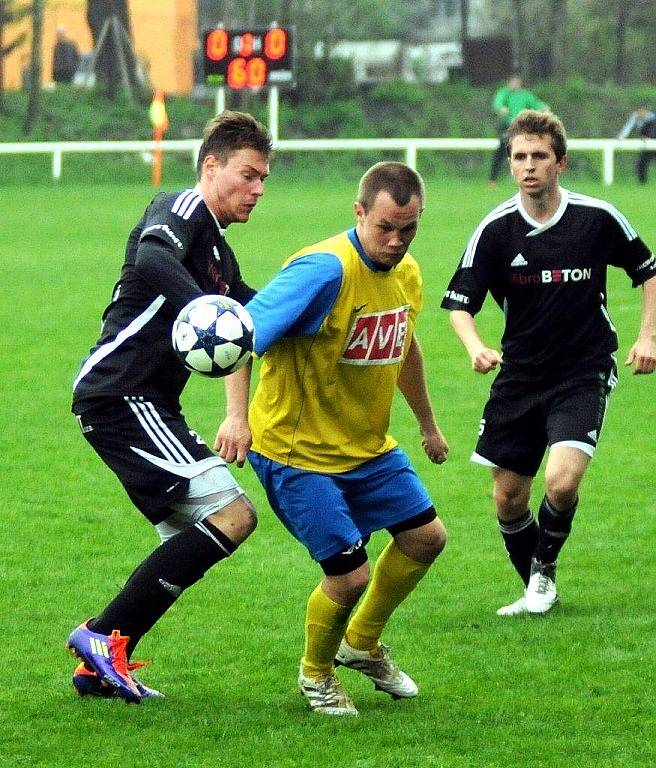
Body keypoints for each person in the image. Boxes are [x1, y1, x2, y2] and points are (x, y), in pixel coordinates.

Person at [216, 161, 449, 716]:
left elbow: (405, 348)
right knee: (348, 577)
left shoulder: (408, 272)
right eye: (385, 228)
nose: (395, 241)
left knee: (426, 539)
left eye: (408, 229)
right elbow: (239, 334)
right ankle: (316, 675)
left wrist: (428, 424)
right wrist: (236, 418)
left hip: (366, 446)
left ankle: (361, 645)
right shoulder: (322, 272)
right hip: (299, 454)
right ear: (359, 213)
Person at [66, 111, 273, 702]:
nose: (258, 189)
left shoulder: (219, 255)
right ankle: (102, 637)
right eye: (248, 174)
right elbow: (153, 262)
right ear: (211, 167)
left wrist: (319, 313)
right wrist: (209, 311)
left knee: (194, 533)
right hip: (121, 394)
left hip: (146, 402)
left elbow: (255, 316)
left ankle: (100, 660)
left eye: (264, 179)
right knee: (234, 517)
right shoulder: (182, 210)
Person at [442, 109, 656, 617]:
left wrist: (648, 335)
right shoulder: (495, 230)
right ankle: (539, 583)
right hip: (520, 375)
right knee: (508, 498)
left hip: (584, 369)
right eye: (519, 156)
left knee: (561, 481)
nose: (528, 165)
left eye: (539, 156)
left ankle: (541, 579)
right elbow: (459, 305)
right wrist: (475, 347)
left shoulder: (596, 218)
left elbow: (649, 270)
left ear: (560, 162)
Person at [489, 74, 548, 185]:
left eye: (516, 82)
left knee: (525, 151)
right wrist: (501, 108)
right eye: (512, 82)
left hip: (521, 127)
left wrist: (543, 108)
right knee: (502, 150)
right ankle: (492, 179)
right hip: (507, 126)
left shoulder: (525, 95)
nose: (514, 84)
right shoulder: (504, 93)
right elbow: (498, 102)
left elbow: (535, 103)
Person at [617, 106, 656, 184]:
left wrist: (649, 137)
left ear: (645, 111)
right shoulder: (635, 116)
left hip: (652, 140)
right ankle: (642, 183)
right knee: (642, 163)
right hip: (647, 144)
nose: (639, 114)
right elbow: (628, 127)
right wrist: (621, 137)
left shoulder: (652, 118)